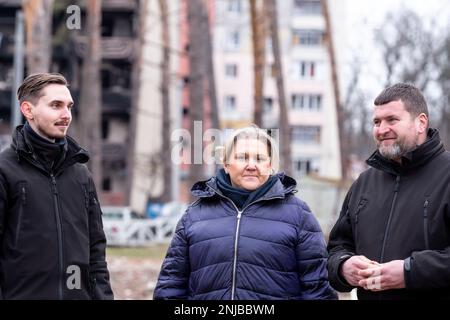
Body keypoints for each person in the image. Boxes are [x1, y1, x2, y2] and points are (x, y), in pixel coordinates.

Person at [154, 126, 337, 300]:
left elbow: (318, 287)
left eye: (259, 158)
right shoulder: (195, 216)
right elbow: (171, 285)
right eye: (242, 157)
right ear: (226, 164)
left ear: (270, 166)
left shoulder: (299, 215)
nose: (251, 165)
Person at [327, 83, 450, 300]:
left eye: (392, 120)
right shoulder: (364, 182)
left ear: (421, 122)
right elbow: (337, 247)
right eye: (377, 122)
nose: (382, 130)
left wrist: (409, 272)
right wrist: (344, 267)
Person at [0, 73, 113, 299]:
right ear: (28, 110)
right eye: (56, 105)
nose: (66, 115)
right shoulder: (5, 170)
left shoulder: (81, 175)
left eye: (69, 107)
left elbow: (96, 255)